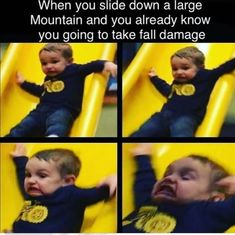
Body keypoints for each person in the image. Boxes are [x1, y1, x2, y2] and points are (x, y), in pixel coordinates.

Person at [5, 43, 117, 137]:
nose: (48, 66)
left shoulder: (75, 71)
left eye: (54, 62)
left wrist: (105, 64)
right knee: (26, 124)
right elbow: (40, 91)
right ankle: (12, 137)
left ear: (69, 61)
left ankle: (54, 135)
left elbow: (91, 65)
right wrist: (23, 83)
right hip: (41, 111)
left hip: (64, 109)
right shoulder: (48, 78)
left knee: (58, 121)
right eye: (44, 63)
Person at [122, 143, 235, 233]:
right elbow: (145, 182)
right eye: (167, 174)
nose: (170, 178)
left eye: (185, 177)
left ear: (215, 199)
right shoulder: (149, 202)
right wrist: (142, 155)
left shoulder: (204, 215)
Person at [130, 46, 235, 137]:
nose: (179, 72)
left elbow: (223, 68)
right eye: (174, 69)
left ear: (200, 68)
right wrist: (155, 78)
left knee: (181, 131)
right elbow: (168, 92)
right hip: (164, 115)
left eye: (185, 68)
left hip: (187, 117)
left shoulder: (205, 76)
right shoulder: (177, 81)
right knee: (146, 130)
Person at [10, 144, 117, 233]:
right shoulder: (32, 192)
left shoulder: (71, 195)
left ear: (67, 181)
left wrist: (112, 180)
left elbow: (97, 193)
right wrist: (20, 159)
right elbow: (21, 177)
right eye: (29, 174)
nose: (31, 180)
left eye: (42, 176)